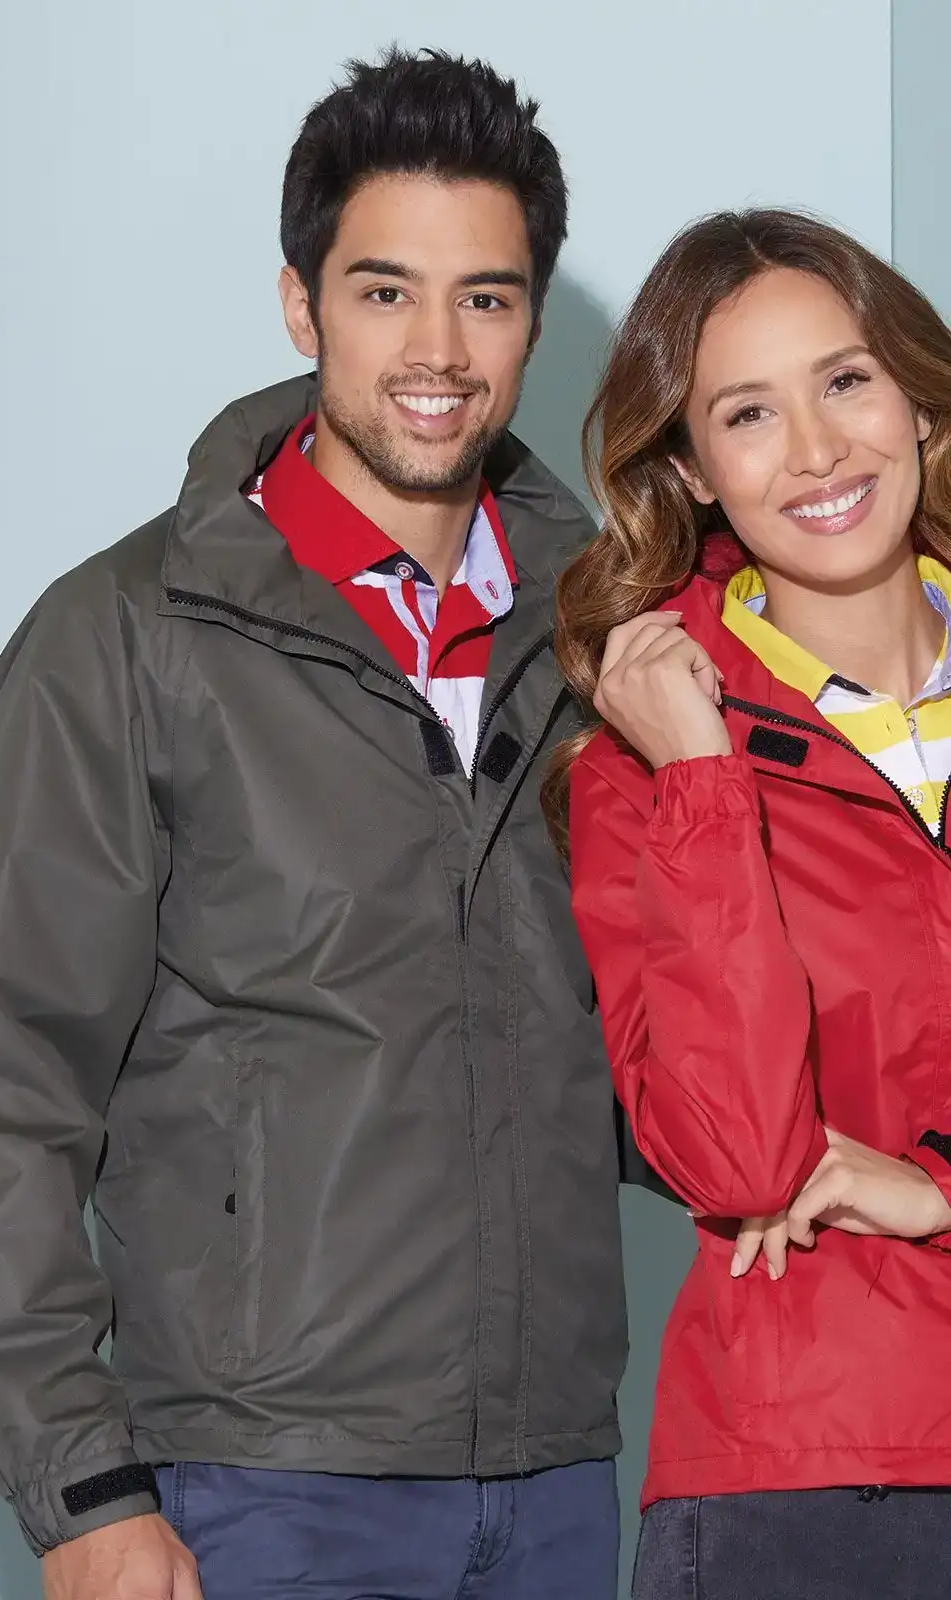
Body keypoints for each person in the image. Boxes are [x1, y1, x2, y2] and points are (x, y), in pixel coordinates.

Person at [0, 49, 627, 1600]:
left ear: (531, 321)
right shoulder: (123, 639)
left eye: (487, 297)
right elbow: (3, 1085)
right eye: (384, 292)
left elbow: (649, 1033)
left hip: (561, 1477)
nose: (438, 349)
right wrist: (80, 1492)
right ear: (302, 308)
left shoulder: (607, 640)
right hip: (261, 1486)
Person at [545, 208, 951, 1599]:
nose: (819, 451)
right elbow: (735, 1157)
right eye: (750, 415)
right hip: (810, 1486)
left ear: (916, 398)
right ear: (691, 470)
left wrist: (929, 1192)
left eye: (846, 381)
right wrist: (703, 780)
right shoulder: (645, 775)